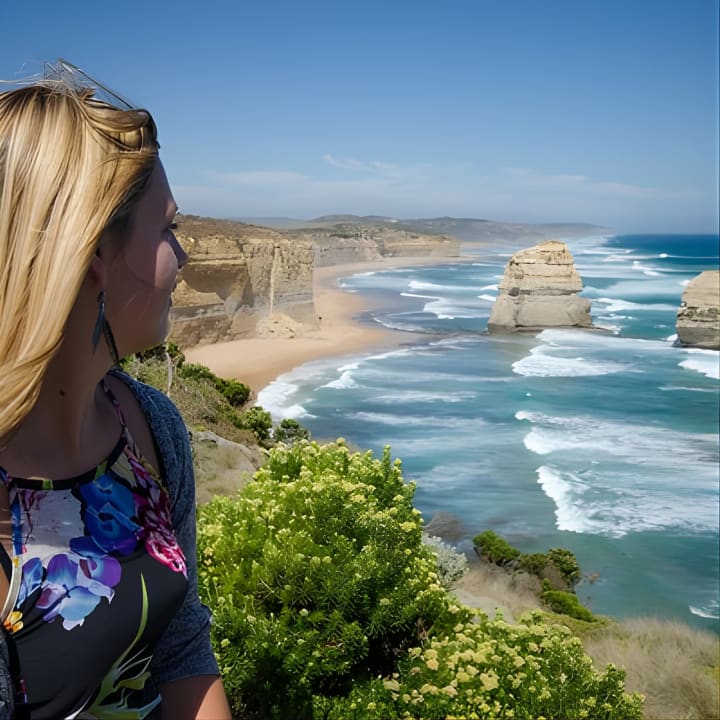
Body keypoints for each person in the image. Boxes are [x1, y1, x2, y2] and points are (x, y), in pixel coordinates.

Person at [0, 62, 232, 719]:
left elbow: (181, 641)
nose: (183, 258)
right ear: (96, 252)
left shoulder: (150, 427)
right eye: (167, 231)